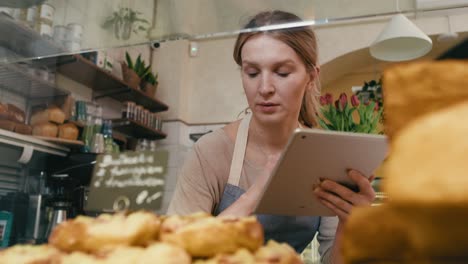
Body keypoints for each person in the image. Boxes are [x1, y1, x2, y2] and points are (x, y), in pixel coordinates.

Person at [167, 10, 375, 263]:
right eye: (252, 73)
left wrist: (350, 223)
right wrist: (256, 194)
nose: (264, 88)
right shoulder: (210, 151)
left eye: (282, 73)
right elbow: (175, 252)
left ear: (311, 77)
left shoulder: (324, 155)